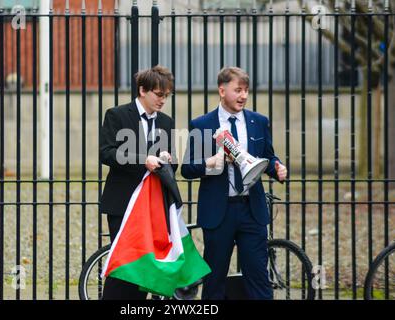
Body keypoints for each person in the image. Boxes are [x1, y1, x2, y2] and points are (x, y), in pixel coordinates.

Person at [181, 66, 287, 300]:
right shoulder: (201, 124)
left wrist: (277, 167)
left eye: (246, 90)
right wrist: (210, 162)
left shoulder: (259, 121)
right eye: (238, 90)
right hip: (219, 213)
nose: (243, 96)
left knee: (258, 278)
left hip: (252, 210)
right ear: (221, 90)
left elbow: (268, 157)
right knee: (215, 280)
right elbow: (187, 169)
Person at [99, 65, 177, 300]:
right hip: (123, 202)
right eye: (159, 94)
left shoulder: (166, 121)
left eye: (166, 95)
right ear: (142, 90)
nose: (163, 100)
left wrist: (167, 160)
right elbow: (107, 153)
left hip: (153, 206)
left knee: (144, 269)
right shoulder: (117, 114)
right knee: (126, 268)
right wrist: (143, 160)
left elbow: (172, 165)